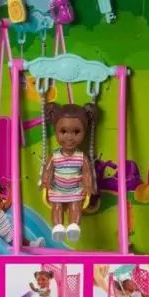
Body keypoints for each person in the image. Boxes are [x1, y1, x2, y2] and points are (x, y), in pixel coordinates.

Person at [41, 103, 96, 243]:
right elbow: (48, 170)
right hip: (57, 188)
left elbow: (87, 173)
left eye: (76, 132)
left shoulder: (81, 157)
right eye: (63, 132)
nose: (69, 138)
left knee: (75, 205)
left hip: (76, 189)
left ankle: (74, 227)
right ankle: (58, 227)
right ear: (56, 132)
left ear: (84, 132)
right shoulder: (54, 156)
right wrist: (45, 180)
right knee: (57, 206)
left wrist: (88, 186)